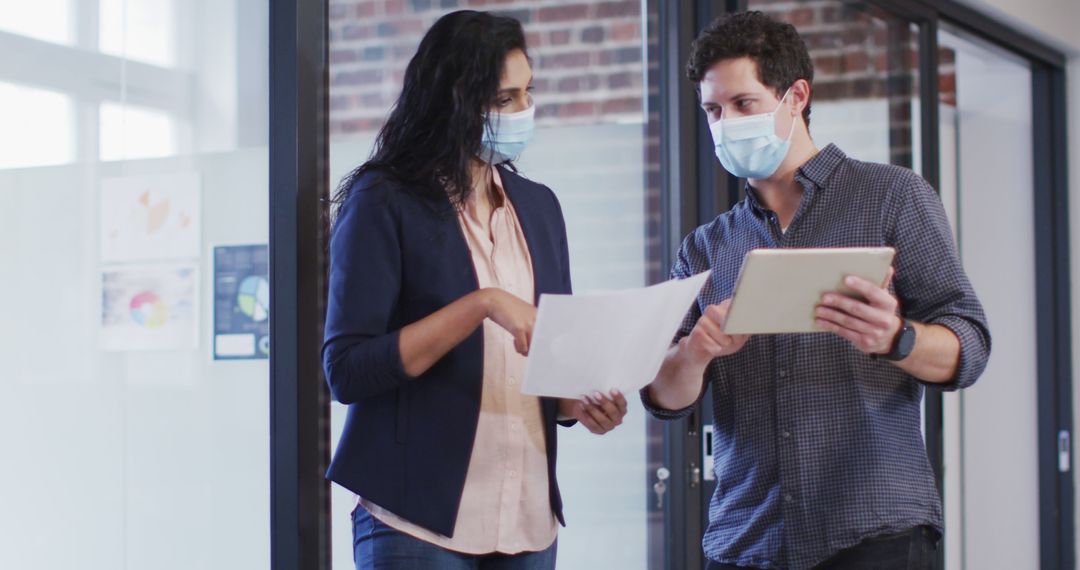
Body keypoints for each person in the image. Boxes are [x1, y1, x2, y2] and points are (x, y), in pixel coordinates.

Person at [642, 11, 991, 570]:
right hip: (746, 541)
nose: (725, 123)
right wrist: (697, 350)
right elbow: (664, 397)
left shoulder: (892, 198)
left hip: (873, 533)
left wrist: (897, 338)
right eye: (713, 109)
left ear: (796, 96)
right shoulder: (707, 247)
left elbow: (970, 345)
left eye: (743, 103)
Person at [322, 10, 628, 570]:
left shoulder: (539, 207)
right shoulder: (383, 201)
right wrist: (482, 304)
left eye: (527, 93)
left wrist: (578, 405)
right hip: (417, 524)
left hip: (529, 521)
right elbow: (347, 371)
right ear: (452, 100)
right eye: (504, 98)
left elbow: (545, 357)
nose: (522, 111)